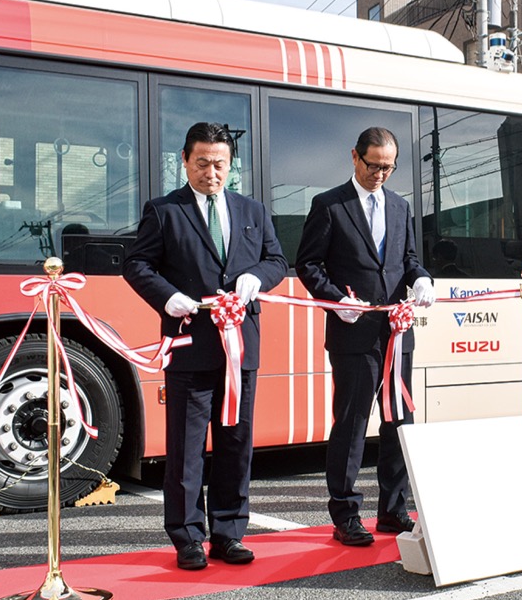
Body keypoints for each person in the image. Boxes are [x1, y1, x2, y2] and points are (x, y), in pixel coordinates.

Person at [123, 121, 286, 570]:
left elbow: (276, 260)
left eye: (219, 164)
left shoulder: (252, 210)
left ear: (231, 164)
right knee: (187, 446)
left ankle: (229, 533)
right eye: (202, 163)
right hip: (189, 343)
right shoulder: (164, 211)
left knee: (236, 443)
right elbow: (137, 264)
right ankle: (188, 537)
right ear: (184, 161)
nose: (211, 172)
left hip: (240, 350)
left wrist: (256, 278)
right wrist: (167, 296)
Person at [295, 127, 435, 547]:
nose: (380, 174)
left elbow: (408, 259)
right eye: (373, 165)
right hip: (353, 335)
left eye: (388, 168)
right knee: (352, 425)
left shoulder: (399, 206)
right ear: (354, 157)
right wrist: (336, 300)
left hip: (396, 333)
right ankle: (345, 513)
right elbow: (309, 265)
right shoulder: (329, 205)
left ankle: (393, 510)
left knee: (398, 422)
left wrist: (423, 279)